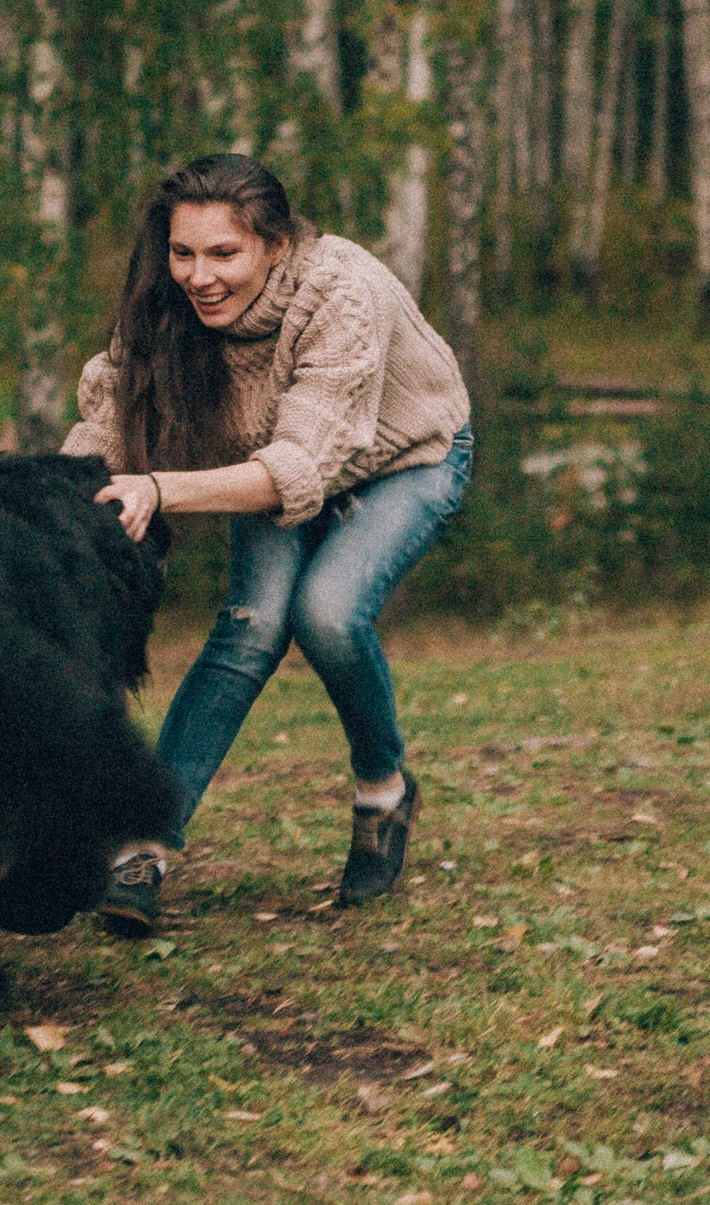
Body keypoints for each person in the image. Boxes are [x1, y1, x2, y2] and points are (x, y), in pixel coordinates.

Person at [63, 154, 473, 936]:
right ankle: (144, 842)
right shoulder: (167, 303)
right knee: (249, 628)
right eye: (184, 252)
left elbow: (297, 467)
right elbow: (107, 427)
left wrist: (160, 488)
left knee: (327, 611)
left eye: (225, 253)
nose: (199, 275)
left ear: (276, 245)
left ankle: (384, 789)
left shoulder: (341, 290)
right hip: (274, 462)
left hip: (408, 456)